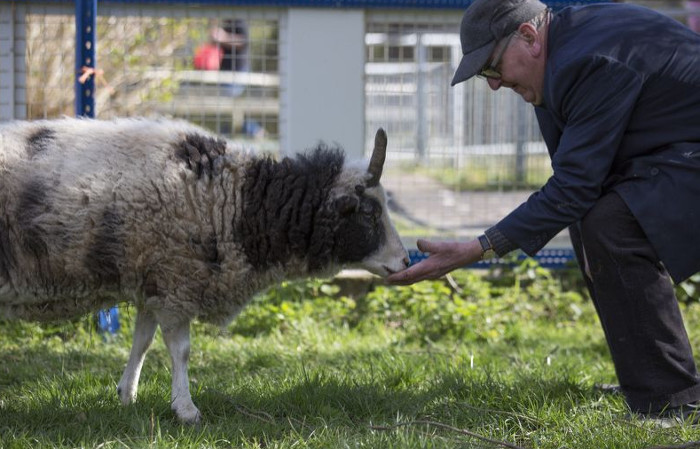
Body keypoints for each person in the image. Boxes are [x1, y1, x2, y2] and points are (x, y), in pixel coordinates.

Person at [387, 0, 700, 423]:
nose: (493, 85)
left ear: (529, 38)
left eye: (491, 68)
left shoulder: (587, 60)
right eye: (486, 76)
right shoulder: (557, 61)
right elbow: (571, 187)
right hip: (678, 151)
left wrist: (479, 248)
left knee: (611, 224)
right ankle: (651, 383)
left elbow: (572, 187)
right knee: (592, 219)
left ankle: (672, 399)